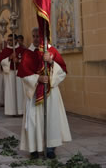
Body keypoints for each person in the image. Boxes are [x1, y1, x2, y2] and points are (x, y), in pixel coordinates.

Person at [18, 28, 71, 159]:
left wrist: (51, 62)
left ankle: (50, 148)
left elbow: (63, 71)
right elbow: (24, 76)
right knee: (33, 121)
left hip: (50, 93)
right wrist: (38, 78)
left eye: (39, 36)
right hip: (35, 93)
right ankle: (34, 149)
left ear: (44, 37)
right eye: (34, 36)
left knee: (51, 120)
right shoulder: (28, 53)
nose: (36, 39)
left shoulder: (52, 51)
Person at [0, 34, 26, 116]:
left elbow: (26, 61)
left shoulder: (21, 50)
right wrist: (9, 58)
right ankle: (12, 111)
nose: (10, 41)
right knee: (11, 92)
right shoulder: (5, 50)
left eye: (11, 40)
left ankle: (20, 110)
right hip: (10, 74)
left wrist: (18, 61)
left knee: (20, 91)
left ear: (16, 40)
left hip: (19, 73)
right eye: (9, 40)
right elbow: (2, 62)